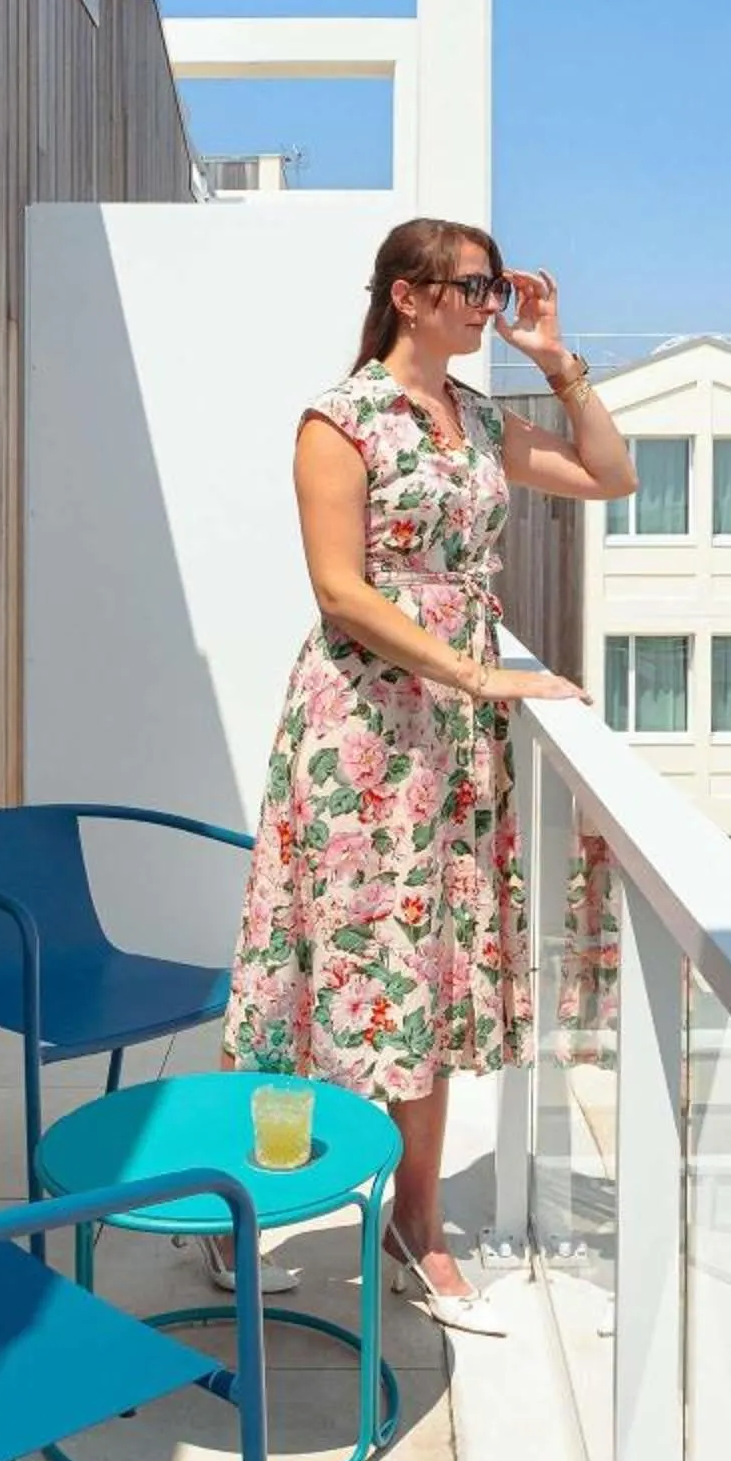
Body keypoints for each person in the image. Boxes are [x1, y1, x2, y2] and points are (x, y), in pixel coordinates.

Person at [213, 217, 632, 1330]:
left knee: (431, 966)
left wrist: (558, 360)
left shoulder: (482, 422)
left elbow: (610, 473)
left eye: (499, 288)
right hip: (362, 726)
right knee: (320, 958)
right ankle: (236, 1200)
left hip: (451, 740)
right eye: (475, 288)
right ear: (409, 295)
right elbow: (341, 592)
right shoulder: (338, 420)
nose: (491, 304)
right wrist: (475, 676)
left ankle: (418, 1225)